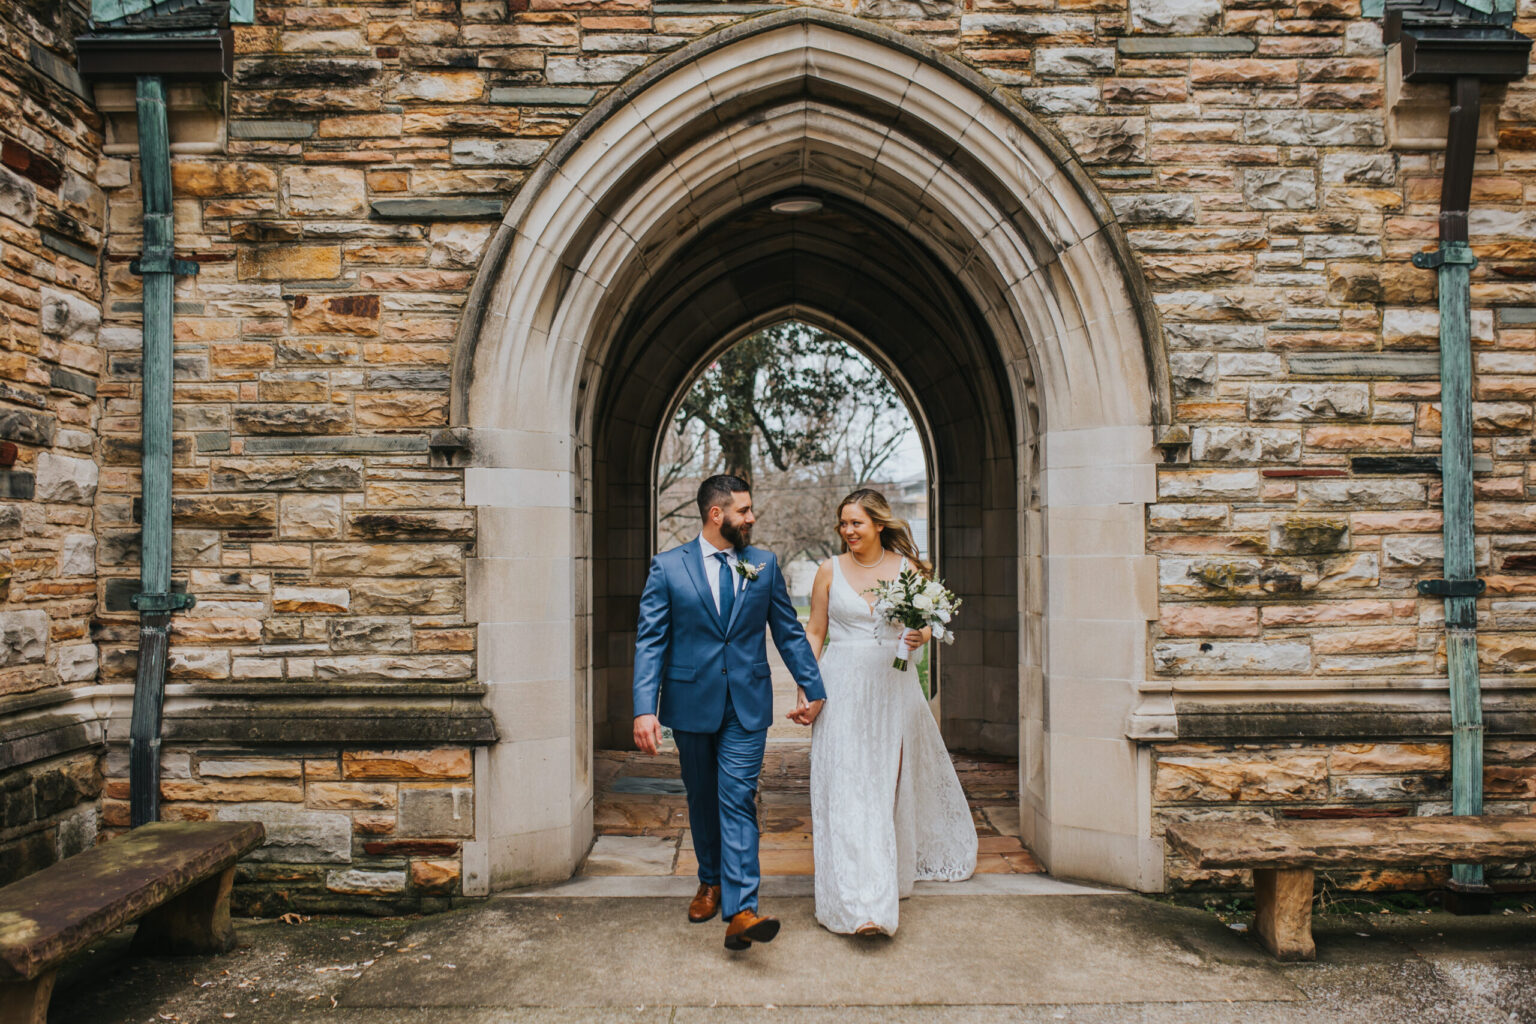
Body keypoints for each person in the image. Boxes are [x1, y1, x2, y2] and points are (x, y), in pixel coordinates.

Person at [632, 474, 827, 950]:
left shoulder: (762, 563)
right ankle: (710, 881)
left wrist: (812, 685)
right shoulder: (667, 567)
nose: (751, 518)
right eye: (743, 510)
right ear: (716, 515)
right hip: (689, 704)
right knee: (701, 798)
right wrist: (644, 709)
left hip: (746, 703)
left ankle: (742, 909)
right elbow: (651, 641)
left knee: (736, 798)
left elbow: (788, 630)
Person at [800, 487, 977, 937]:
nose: (848, 531)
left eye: (856, 522)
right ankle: (852, 905)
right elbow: (816, 632)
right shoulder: (827, 570)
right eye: (843, 523)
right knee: (845, 790)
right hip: (840, 688)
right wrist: (808, 686)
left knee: (880, 791)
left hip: (890, 692)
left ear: (879, 523)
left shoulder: (911, 571)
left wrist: (921, 635)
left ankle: (876, 903)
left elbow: (927, 624)